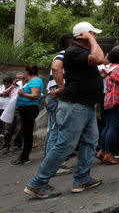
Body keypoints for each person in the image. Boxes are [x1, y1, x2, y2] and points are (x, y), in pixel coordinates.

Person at [25, 22, 104, 199]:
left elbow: (98, 59)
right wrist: (91, 38)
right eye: (93, 33)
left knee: (90, 141)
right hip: (76, 105)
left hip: (85, 105)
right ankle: (38, 183)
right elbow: (99, 58)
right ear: (84, 35)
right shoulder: (75, 51)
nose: (95, 36)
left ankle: (82, 179)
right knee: (65, 145)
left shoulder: (81, 52)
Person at [97, 48, 119, 164]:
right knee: (113, 128)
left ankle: (101, 151)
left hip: (108, 100)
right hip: (118, 101)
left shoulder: (109, 69)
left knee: (107, 127)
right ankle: (108, 154)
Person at [43, 34, 73, 176]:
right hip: (56, 98)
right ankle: (52, 166)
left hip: (52, 98)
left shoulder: (62, 54)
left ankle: (49, 162)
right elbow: (56, 68)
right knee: (56, 132)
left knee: (52, 131)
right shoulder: (64, 55)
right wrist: (61, 87)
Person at [11, 65, 44, 166]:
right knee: (25, 133)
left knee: (27, 133)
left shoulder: (35, 81)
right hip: (25, 109)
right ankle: (24, 156)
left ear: (26, 72)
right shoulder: (30, 82)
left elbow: (34, 95)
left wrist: (23, 95)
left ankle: (25, 157)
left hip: (29, 109)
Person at [1, 73, 25, 154]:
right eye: (17, 78)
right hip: (11, 109)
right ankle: (5, 146)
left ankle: (17, 145)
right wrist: (12, 87)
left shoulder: (26, 86)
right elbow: (4, 94)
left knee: (19, 128)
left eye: (20, 78)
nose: (18, 80)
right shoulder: (13, 87)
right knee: (8, 128)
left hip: (21, 108)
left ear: (24, 79)